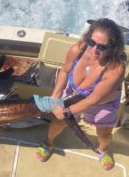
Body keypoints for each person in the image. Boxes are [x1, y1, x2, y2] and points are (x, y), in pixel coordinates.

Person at [35, 18, 126, 170]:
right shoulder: (78, 49)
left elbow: (92, 99)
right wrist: (55, 98)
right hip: (72, 93)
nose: (95, 50)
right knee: (57, 122)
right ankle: (48, 142)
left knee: (104, 134)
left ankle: (103, 150)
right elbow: (64, 71)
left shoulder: (116, 68)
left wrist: (66, 112)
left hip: (101, 102)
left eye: (102, 47)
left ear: (113, 48)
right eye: (92, 43)